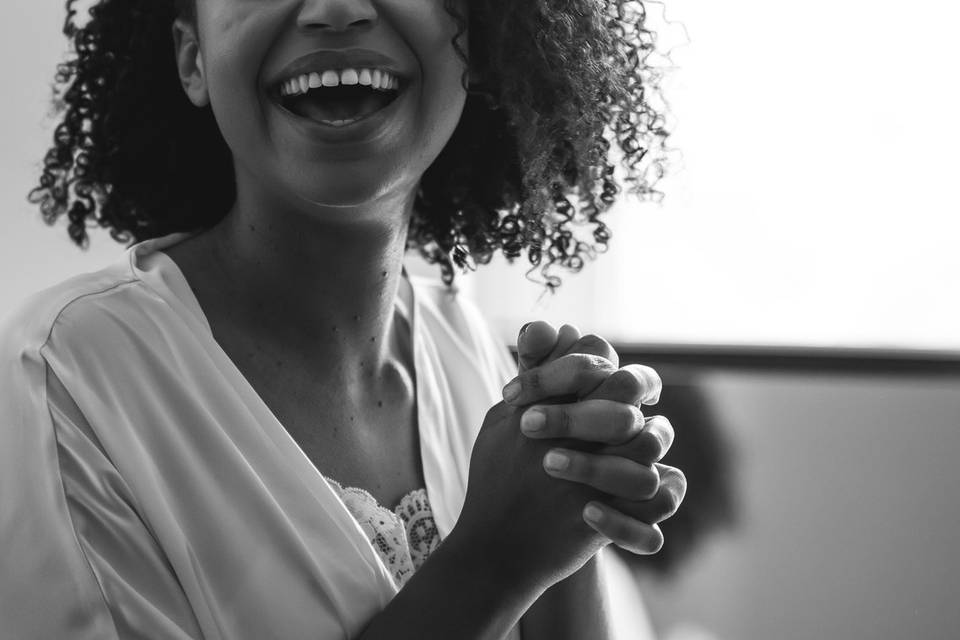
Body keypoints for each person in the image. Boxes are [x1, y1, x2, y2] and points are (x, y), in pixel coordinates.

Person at [1, 0, 685, 638]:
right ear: (193, 59)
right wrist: (494, 563)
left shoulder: (469, 346)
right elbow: (499, 566)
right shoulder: (61, 375)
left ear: (481, 37)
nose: (335, 8)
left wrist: (578, 506)